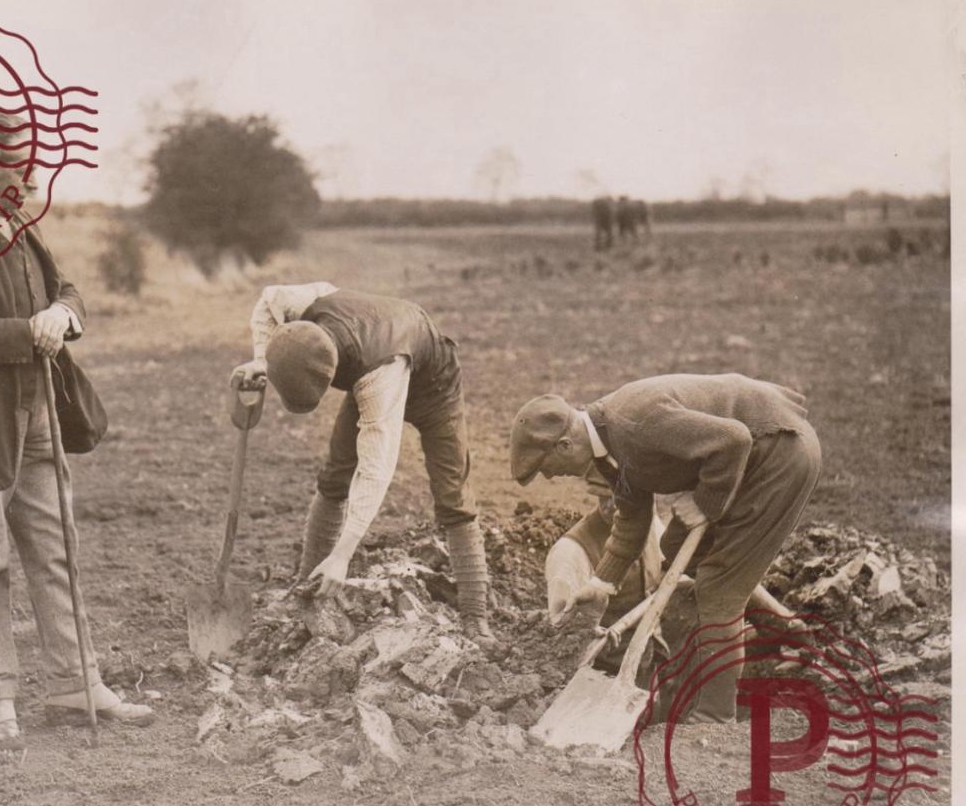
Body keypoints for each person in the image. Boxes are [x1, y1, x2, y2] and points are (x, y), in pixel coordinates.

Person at [0, 114, 153, 747]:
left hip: (40, 413)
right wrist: (26, 331)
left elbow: (66, 290)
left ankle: (75, 683)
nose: (37, 172)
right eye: (25, 160)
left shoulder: (20, 225)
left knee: (57, 551)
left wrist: (64, 312)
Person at [510, 373, 821, 722]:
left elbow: (734, 440)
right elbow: (633, 516)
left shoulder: (634, 423)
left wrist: (705, 502)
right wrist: (602, 583)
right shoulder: (608, 449)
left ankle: (715, 716)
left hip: (778, 454)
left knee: (719, 588)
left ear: (565, 445)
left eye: (546, 468)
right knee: (675, 546)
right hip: (751, 461)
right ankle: (783, 630)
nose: (551, 477)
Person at [230, 284, 495, 647]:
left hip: (433, 385)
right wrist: (262, 359)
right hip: (375, 357)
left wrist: (342, 555)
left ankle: (476, 617)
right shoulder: (305, 305)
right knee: (334, 477)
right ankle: (305, 586)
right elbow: (266, 300)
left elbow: (376, 468)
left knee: (453, 495)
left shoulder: (378, 377)